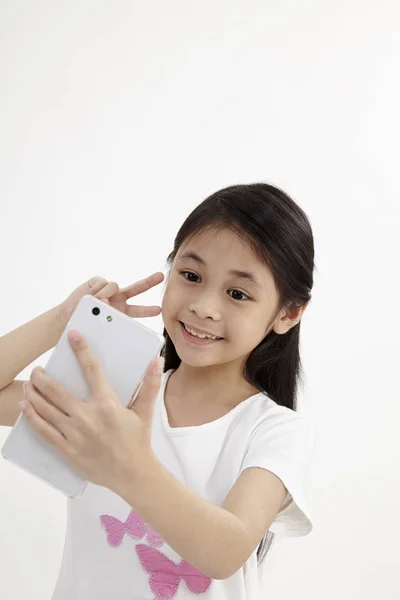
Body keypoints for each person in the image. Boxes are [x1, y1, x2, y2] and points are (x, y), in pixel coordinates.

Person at [0, 182, 317, 599]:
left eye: (237, 293)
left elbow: (227, 551)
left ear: (287, 313)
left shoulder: (273, 430)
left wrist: (129, 467)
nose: (204, 305)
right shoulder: (116, 394)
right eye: (191, 275)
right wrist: (64, 319)